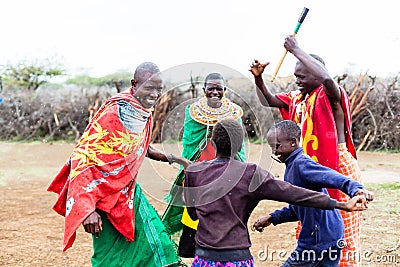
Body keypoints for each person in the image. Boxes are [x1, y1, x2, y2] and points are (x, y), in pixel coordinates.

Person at [47, 62, 191, 267]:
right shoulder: (115, 113)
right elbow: (83, 157)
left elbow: (143, 147)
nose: (155, 93)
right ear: (134, 84)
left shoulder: (142, 112)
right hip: (101, 197)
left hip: (128, 192)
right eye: (149, 87)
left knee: (157, 241)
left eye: (159, 88)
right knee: (108, 253)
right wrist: (87, 210)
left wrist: (177, 159)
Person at [184, 119, 368, 267]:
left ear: (213, 143)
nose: (274, 151)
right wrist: (339, 204)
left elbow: (193, 214)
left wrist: (350, 194)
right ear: (240, 146)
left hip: (204, 257)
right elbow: (294, 196)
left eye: (277, 146)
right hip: (238, 258)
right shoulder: (252, 174)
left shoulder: (194, 172)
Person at [250, 35, 364, 266]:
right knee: (312, 221)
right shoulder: (297, 99)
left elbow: (326, 78)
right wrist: (259, 79)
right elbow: (269, 101)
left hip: (337, 165)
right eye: (296, 77)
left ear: (316, 73)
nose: (297, 81)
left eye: (302, 76)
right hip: (307, 167)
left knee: (342, 232)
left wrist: (296, 50)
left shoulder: (331, 95)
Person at [252, 120, 373, 266]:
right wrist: (272, 218)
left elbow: (333, 177)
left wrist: (356, 189)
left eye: (277, 146)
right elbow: (299, 208)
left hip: (317, 239)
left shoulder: (301, 164)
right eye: (272, 148)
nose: (274, 152)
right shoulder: (292, 166)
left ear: (292, 142)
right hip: (332, 233)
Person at [162, 72, 246, 258]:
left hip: (225, 171)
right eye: (211, 88)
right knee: (194, 212)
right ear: (204, 90)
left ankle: (220, 250)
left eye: (219, 89)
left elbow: (239, 145)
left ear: (225, 90)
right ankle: (194, 253)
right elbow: (189, 142)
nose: (215, 92)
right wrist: (190, 170)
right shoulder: (193, 112)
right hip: (200, 170)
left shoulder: (234, 112)